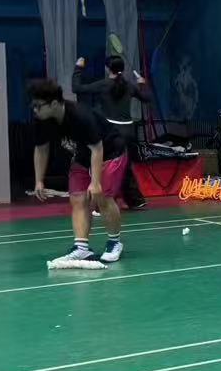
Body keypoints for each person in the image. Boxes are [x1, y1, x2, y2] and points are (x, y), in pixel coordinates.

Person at [28, 78, 127, 262]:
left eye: (38, 106)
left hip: (109, 151)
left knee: (102, 197)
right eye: (32, 105)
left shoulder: (81, 116)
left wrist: (95, 182)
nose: (34, 110)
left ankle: (115, 242)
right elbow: (41, 148)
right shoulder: (41, 120)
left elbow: (97, 148)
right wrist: (39, 180)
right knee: (77, 198)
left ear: (54, 104)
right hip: (82, 155)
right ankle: (82, 248)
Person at [73, 55, 153, 210]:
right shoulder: (130, 86)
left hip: (111, 134)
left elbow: (77, 88)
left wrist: (78, 68)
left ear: (107, 69)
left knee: (105, 168)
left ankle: (100, 204)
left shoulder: (103, 84)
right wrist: (142, 84)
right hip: (129, 132)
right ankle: (135, 200)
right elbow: (147, 98)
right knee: (124, 166)